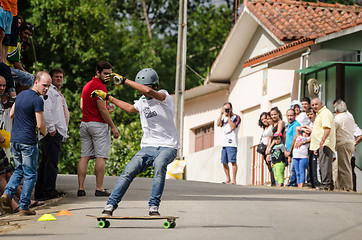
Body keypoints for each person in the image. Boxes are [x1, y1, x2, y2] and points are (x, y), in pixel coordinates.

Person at [92, 68, 180, 216]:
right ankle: (110, 206)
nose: (144, 93)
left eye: (147, 89)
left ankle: (153, 206)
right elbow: (130, 108)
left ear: (155, 86)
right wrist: (108, 97)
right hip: (148, 147)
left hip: (168, 146)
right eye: (142, 90)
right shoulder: (142, 101)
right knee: (129, 171)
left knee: (159, 166)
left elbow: (149, 91)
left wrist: (124, 80)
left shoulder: (164, 97)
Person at [0, 71, 50, 216]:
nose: (46, 88)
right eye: (44, 85)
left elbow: (11, 114)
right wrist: (45, 134)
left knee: (19, 170)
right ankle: (24, 206)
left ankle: (7, 193)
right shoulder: (37, 100)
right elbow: (40, 125)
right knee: (30, 174)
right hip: (28, 141)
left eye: (48, 86)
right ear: (36, 82)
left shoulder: (20, 95)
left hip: (15, 139)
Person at [77, 61, 120, 197]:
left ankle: (81, 188)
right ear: (98, 72)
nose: (107, 77)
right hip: (98, 126)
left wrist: (103, 109)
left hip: (85, 124)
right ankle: (99, 188)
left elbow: (83, 106)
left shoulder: (87, 86)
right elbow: (102, 109)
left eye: (109, 74)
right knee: (101, 157)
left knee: (84, 156)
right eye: (105, 74)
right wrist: (113, 126)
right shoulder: (100, 87)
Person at [34, 68, 69, 200]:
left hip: (57, 132)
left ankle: (43, 190)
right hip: (51, 133)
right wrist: (52, 129)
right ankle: (47, 190)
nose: (59, 79)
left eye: (61, 76)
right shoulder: (50, 92)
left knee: (48, 162)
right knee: (50, 163)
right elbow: (46, 111)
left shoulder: (57, 93)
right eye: (56, 77)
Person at [310, 98, 336, 191]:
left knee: (324, 165)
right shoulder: (319, 114)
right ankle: (329, 184)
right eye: (312, 105)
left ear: (321, 103)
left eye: (316, 104)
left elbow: (327, 128)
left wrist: (322, 141)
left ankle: (325, 184)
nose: (314, 107)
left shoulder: (325, 113)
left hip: (325, 143)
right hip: (321, 144)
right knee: (324, 164)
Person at [217, 102, 241, 185]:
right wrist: (221, 114)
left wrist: (229, 116)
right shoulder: (224, 118)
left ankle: (233, 180)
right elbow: (218, 124)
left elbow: (233, 126)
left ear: (231, 109)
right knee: (224, 161)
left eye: (227, 108)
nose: (226, 110)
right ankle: (228, 178)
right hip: (224, 143)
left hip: (232, 142)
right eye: (224, 109)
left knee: (233, 161)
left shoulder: (236, 117)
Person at [6, 22, 35, 89]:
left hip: (10, 68)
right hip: (8, 67)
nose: (27, 36)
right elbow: (16, 64)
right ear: (20, 31)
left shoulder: (19, 42)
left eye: (29, 35)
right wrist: (26, 72)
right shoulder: (16, 41)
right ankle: (21, 98)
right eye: (25, 33)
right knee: (31, 78)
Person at [334, 100, 355, 191]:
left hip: (342, 144)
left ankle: (347, 188)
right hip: (350, 143)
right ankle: (341, 187)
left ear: (336, 110)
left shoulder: (338, 118)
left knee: (344, 167)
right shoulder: (350, 117)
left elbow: (332, 130)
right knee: (342, 166)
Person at [284, 109, 301, 187]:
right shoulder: (289, 125)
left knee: (294, 168)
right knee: (291, 168)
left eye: (291, 115)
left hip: (295, 150)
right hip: (289, 151)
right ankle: (292, 183)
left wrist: (290, 151)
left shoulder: (296, 124)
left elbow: (295, 138)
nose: (290, 117)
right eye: (288, 116)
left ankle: (293, 183)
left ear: (294, 116)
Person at [305, 107, 320, 188]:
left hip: (317, 148)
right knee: (311, 168)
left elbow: (316, 135)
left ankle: (318, 184)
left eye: (311, 114)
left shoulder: (318, 123)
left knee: (316, 169)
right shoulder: (310, 124)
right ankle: (313, 184)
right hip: (310, 149)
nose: (310, 116)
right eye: (308, 115)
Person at [258, 112, 275, 186]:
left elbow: (271, 136)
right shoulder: (264, 128)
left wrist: (269, 148)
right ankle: (272, 182)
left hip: (270, 148)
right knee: (268, 166)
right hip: (264, 149)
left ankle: (274, 183)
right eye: (262, 119)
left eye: (265, 118)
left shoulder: (271, 127)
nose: (264, 121)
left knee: (272, 166)